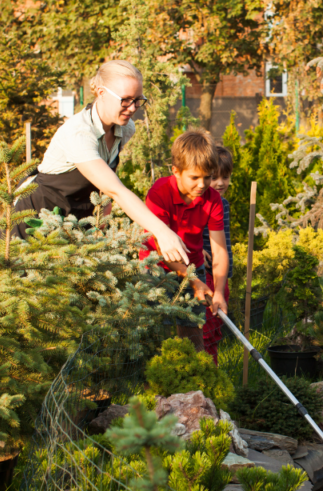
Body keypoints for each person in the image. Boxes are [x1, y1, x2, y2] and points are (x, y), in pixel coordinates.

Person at [12, 60, 189, 265]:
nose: (132, 108)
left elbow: (105, 176)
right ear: (102, 93)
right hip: (37, 217)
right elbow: (116, 190)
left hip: (73, 223)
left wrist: (100, 222)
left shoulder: (125, 128)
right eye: (125, 100)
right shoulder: (79, 132)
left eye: (138, 100)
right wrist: (162, 232)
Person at [140, 130, 228, 352]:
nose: (202, 184)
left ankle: (193, 379)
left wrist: (218, 291)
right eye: (195, 177)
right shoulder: (159, 194)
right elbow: (163, 252)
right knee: (158, 335)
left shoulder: (213, 199)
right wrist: (193, 281)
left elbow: (219, 251)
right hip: (156, 269)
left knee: (192, 332)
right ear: (176, 171)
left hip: (193, 265)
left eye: (208, 177)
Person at [201, 146, 235, 363]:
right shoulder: (200, 202)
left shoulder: (223, 204)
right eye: (214, 177)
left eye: (225, 177)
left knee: (215, 332)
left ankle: (213, 374)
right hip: (204, 276)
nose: (220, 183)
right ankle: (204, 373)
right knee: (204, 329)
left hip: (221, 276)